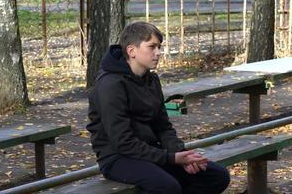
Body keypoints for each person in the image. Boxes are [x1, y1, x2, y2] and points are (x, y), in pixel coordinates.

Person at [86, 21, 230, 194]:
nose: (158, 53)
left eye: (159, 47)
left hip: (151, 152)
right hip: (118, 158)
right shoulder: (110, 85)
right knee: (167, 187)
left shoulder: (151, 80)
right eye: (152, 47)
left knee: (216, 176)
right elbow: (122, 142)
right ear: (131, 51)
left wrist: (180, 153)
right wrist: (171, 158)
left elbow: (163, 126)